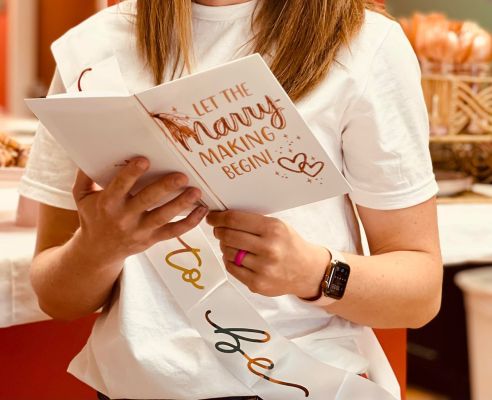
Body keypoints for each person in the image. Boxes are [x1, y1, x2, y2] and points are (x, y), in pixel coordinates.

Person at [19, 0, 443, 399]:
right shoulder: (90, 53)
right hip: (135, 388)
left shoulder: (364, 45)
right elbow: (57, 299)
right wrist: (97, 250)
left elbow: (420, 293)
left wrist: (313, 272)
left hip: (296, 384)